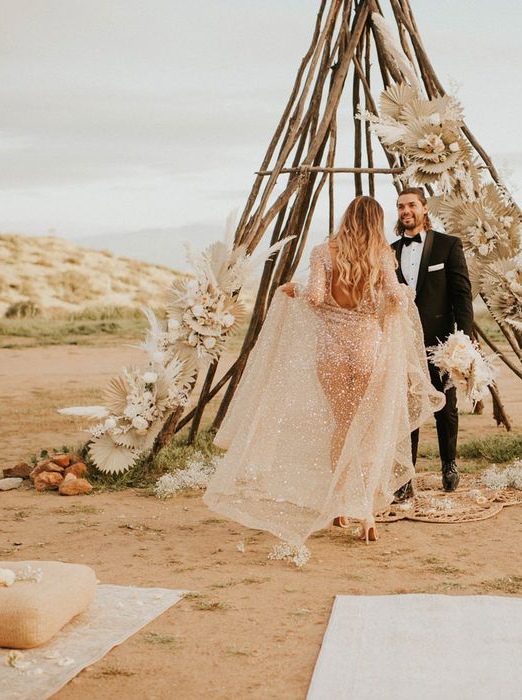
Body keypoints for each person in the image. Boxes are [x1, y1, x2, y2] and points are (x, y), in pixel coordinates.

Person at [203, 196, 444, 549]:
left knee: (343, 425)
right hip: (367, 349)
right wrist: (398, 298)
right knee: (364, 430)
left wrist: (293, 288)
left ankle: (339, 505)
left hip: (330, 350)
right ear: (376, 221)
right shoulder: (381, 255)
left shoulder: (322, 252)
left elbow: (314, 298)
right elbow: (395, 296)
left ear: (347, 218)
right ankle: (365, 512)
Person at [390, 187, 474, 498]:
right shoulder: (391, 251)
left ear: (425, 209)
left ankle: (449, 465)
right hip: (402, 344)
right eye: (400, 206)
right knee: (406, 409)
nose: (405, 211)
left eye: (411, 205)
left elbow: (462, 295)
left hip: (441, 343)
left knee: (446, 408)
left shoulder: (448, 246)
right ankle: (405, 478)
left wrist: (463, 340)